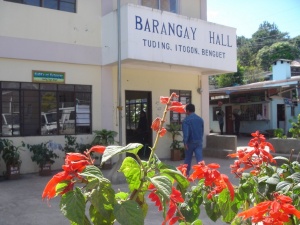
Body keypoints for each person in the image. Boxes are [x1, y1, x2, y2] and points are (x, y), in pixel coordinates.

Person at [182, 103, 204, 175]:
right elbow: (202, 131)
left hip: (190, 142)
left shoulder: (186, 120)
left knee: (188, 158)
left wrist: (185, 143)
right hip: (198, 141)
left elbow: (186, 133)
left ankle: (186, 174)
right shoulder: (200, 119)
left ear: (187, 111)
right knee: (199, 159)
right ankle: (202, 173)